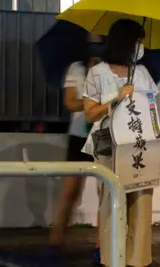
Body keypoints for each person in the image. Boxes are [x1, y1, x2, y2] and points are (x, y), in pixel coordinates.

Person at [82, 19, 158, 267]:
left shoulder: (143, 73)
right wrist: (115, 100)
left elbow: (151, 111)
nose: (140, 47)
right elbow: (90, 114)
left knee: (141, 206)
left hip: (141, 145)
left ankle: (138, 261)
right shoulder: (98, 73)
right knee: (111, 206)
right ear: (125, 41)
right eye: (138, 41)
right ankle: (111, 259)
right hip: (108, 147)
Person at [46, 33, 103, 265]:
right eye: (91, 41)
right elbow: (70, 102)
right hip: (78, 137)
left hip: (104, 137)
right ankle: (54, 243)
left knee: (106, 193)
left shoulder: (112, 70)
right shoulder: (76, 69)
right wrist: (93, 104)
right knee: (70, 192)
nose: (95, 45)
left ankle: (102, 247)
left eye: (99, 41)